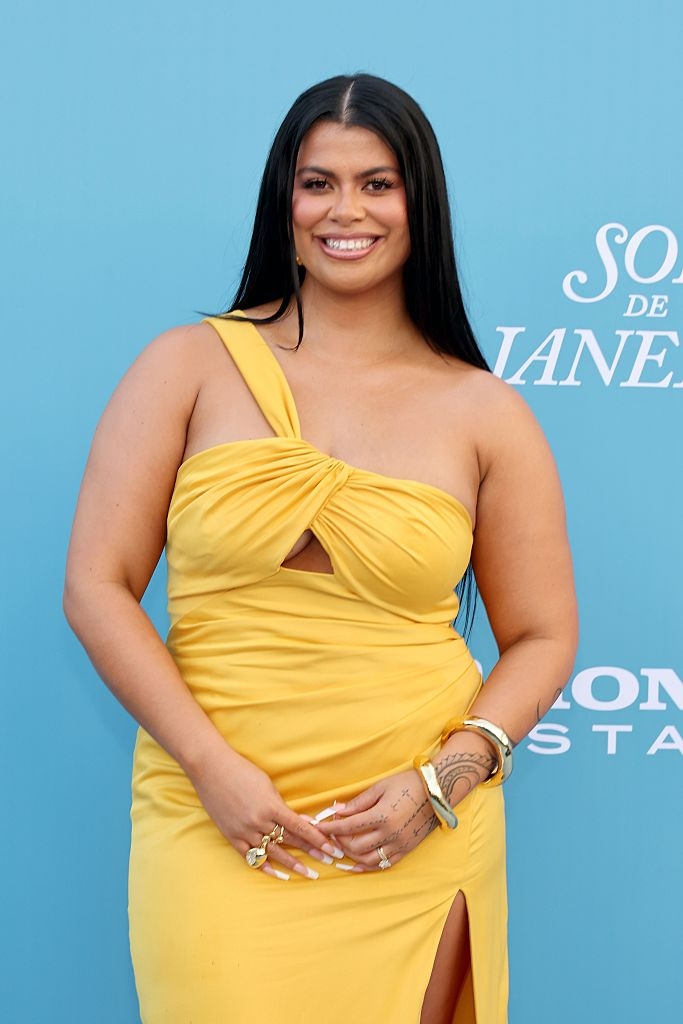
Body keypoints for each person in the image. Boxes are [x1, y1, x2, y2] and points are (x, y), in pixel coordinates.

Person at [64, 73, 578, 1024]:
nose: (347, 210)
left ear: (418, 201)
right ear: (283, 201)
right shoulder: (188, 364)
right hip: (212, 817)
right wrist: (211, 770)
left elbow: (543, 637)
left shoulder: (484, 410)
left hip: (408, 832)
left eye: (377, 183)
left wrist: (445, 779)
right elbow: (97, 586)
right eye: (318, 183)